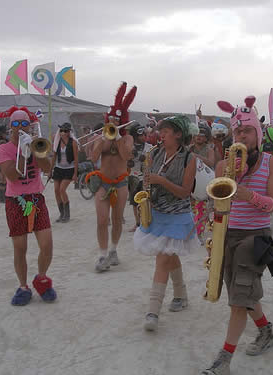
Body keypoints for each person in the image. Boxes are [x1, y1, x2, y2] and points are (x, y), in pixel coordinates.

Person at [200, 96, 273, 375]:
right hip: (227, 233)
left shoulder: (272, 163)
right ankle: (266, 331)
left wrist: (247, 194)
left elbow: (272, 204)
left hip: (255, 237)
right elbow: (216, 201)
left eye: (247, 130)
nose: (242, 135)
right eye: (238, 131)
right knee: (243, 292)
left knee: (238, 300)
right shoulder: (224, 166)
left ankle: (224, 360)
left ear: (257, 134)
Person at [133, 115, 198, 332]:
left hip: (178, 216)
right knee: (170, 255)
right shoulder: (155, 154)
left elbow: (184, 193)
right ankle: (181, 295)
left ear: (178, 134)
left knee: (162, 259)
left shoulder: (190, 158)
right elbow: (147, 180)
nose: (160, 134)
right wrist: (147, 183)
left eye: (166, 131)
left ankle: (153, 311)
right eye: (161, 131)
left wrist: (161, 181)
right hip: (157, 213)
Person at [0, 107, 56, 306]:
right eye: (16, 124)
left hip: (36, 199)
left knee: (47, 245)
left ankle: (41, 279)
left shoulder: (35, 144)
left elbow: (48, 169)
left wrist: (35, 150)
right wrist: (22, 152)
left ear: (30, 126)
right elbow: (12, 176)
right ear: (10, 126)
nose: (20, 127)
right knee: (20, 248)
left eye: (24, 124)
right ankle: (23, 287)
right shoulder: (3, 149)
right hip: (16, 201)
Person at [88, 82, 136, 272]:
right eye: (111, 119)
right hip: (103, 183)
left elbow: (126, 156)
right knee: (101, 220)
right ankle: (102, 255)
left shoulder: (127, 138)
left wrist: (116, 138)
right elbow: (93, 158)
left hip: (121, 183)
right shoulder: (101, 136)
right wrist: (102, 139)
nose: (114, 123)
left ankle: (113, 250)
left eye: (117, 120)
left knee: (117, 219)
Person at [51, 122, 78, 223]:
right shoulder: (57, 141)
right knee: (56, 191)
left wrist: (75, 174)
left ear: (69, 132)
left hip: (69, 169)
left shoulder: (73, 142)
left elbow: (76, 159)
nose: (63, 133)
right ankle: (62, 213)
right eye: (61, 130)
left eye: (65, 131)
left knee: (62, 189)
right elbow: (54, 156)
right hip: (58, 168)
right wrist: (50, 170)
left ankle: (67, 214)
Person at [127, 122, 151, 231]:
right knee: (134, 202)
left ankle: (147, 221)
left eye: (144, 135)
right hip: (133, 177)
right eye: (140, 135)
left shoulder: (149, 147)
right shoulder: (129, 148)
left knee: (147, 200)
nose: (143, 137)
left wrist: (146, 158)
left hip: (146, 178)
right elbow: (124, 162)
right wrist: (129, 160)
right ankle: (137, 223)